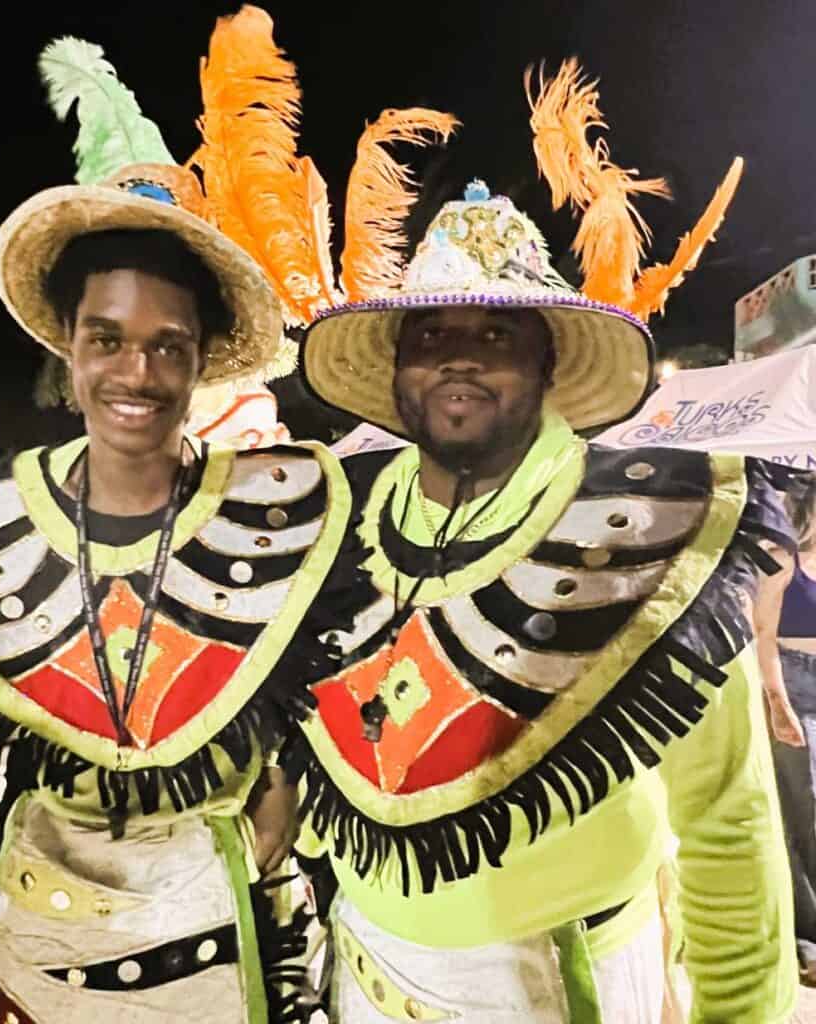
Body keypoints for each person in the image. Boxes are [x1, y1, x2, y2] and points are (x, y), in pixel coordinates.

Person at [0, 36, 352, 1024]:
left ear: (203, 357)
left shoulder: (275, 507)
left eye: (167, 344)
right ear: (69, 348)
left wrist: (287, 787)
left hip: (226, 910)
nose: (136, 372)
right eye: (108, 338)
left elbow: (323, 663)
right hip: (43, 910)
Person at [285, 118, 795, 1022]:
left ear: (548, 360)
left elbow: (727, 822)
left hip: (571, 987)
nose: (461, 355)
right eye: (432, 331)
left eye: (497, 332)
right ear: (398, 365)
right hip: (361, 975)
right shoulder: (335, 530)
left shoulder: (653, 526)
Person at [755, 472, 816, 983]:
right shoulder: (782, 558)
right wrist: (776, 700)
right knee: (800, 810)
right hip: (793, 682)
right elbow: (763, 634)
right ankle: (807, 937)